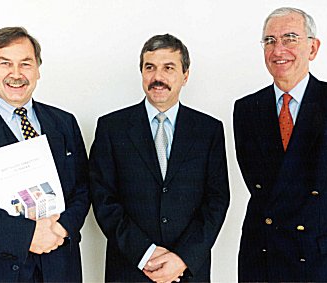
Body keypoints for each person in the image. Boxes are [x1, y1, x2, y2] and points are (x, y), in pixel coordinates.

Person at [234, 7, 327, 282]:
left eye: (290, 38)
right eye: (269, 41)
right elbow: (258, 183)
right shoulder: (247, 109)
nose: (278, 49)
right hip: (266, 255)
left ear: (313, 48)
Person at [0, 27, 90, 282]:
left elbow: (82, 188)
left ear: (37, 70)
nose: (16, 74)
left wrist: (60, 228)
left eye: (25, 64)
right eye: (5, 63)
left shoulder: (64, 122)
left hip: (57, 268)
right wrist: (26, 236)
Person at [89, 34, 229, 282]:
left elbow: (217, 200)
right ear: (141, 72)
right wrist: (146, 254)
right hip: (129, 270)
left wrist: (182, 258)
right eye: (150, 67)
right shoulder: (112, 128)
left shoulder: (209, 130)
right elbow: (103, 199)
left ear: (185, 75)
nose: (158, 77)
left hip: (187, 272)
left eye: (169, 68)